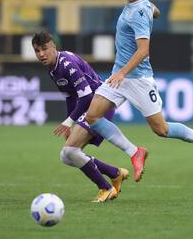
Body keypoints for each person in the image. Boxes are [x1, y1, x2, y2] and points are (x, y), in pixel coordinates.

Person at [85, 0, 193, 182]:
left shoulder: (138, 13)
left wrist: (122, 73)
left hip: (137, 79)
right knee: (93, 116)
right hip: (120, 77)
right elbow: (156, 11)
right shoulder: (143, 5)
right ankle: (135, 152)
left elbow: (143, 50)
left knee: (161, 129)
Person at [32, 31, 129, 203]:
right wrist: (70, 122)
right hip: (90, 106)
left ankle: (106, 188)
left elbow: (85, 96)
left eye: (44, 49)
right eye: (37, 51)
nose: (41, 54)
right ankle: (115, 173)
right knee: (67, 156)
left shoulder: (67, 64)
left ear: (53, 46)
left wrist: (69, 122)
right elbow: (71, 96)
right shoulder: (52, 69)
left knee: (70, 151)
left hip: (100, 105)